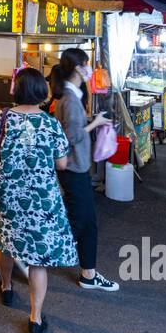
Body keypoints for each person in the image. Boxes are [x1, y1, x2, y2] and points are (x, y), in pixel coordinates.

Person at [0, 68, 77, 333]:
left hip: (7, 195)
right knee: (38, 260)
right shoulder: (50, 124)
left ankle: (5, 287)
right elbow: (61, 163)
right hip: (42, 198)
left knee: (6, 243)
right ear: (41, 91)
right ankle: (35, 318)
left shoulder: (2, 119)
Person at [48, 48, 119, 292]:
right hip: (73, 167)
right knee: (78, 221)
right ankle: (35, 257)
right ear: (78, 68)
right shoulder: (69, 99)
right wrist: (96, 123)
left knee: (87, 222)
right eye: (87, 64)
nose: (89, 69)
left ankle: (89, 273)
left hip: (77, 166)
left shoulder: (71, 96)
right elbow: (71, 135)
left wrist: (92, 122)